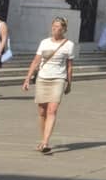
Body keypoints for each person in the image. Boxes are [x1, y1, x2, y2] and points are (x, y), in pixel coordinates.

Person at [21, 16, 75, 154]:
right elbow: (36, 61)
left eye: (58, 27)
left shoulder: (69, 45)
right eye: (53, 27)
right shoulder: (44, 42)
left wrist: (69, 83)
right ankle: (43, 138)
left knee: (52, 110)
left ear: (64, 29)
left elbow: (69, 66)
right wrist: (27, 78)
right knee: (42, 111)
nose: (55, 29)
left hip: (58, 79)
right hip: (42, 78)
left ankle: (45, 142)